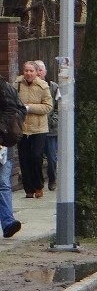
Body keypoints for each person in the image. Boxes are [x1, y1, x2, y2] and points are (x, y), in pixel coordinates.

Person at [15, 61, 53, 199]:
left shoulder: (43, 86)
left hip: (38, 128)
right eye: (26, 70)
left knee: (36, 157)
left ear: (37, 72)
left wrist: (29, 108)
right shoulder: (17, 84)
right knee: (24, 159)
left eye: (31, 71)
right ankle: (28, 189)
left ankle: (38, 185)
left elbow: (48, 107)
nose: (28, 73)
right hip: (22, 128)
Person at [0, 74, 25, 238]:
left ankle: (8, 222)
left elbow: (18, 109)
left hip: (2, 142)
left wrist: (4, 132)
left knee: (3, 183)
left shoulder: (4, 88)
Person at [33, 60, 59, 191]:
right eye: (35, 70)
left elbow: (58, 107)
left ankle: (52, 178)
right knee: (36, 156)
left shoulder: (53, 87)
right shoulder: (31, 87)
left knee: (52, 157)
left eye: (40, 70)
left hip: (50, 129)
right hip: (36, 128)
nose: (38, 73)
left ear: (45, 72)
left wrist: (53, 120)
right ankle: (38, 183)